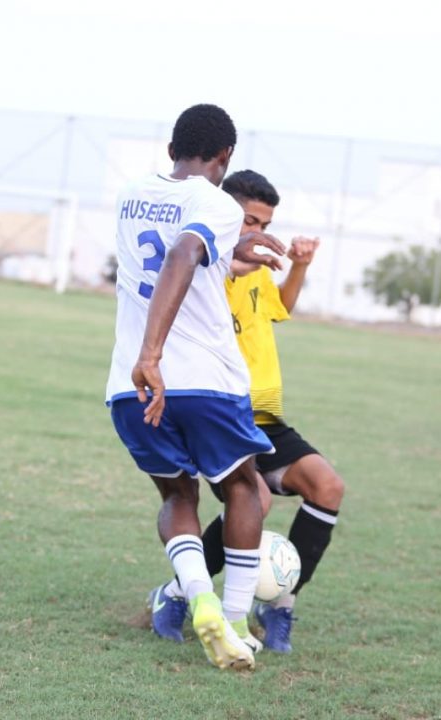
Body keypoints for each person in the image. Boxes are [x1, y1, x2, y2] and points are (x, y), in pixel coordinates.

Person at [105, 105, 285, 671]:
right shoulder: (218, 203)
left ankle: (199, 597)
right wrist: (154, 353)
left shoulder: (131, 194)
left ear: (171, 150)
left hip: (130, 387)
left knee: (177, 497)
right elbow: (183, 252)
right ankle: (234, 621)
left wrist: (230, 254)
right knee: (244, 488)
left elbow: (175, 251)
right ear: (226, 156)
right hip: (203, 380)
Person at [148, 170, 345, 655]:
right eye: (249, 221)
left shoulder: (256, 267)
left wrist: (299, 266)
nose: (257, 231)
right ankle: (177, 595)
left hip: (265, 415)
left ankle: (280, 604)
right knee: (255, 498)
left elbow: (279, 307)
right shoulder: (208, 266)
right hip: (223, 408)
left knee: (327, 486)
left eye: (264, 223)